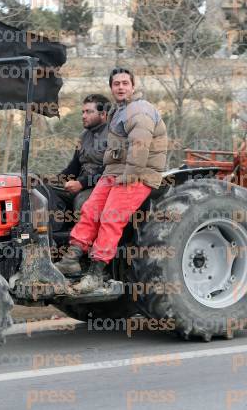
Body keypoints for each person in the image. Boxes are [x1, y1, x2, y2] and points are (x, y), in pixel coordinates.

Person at [55, 68, 168, 293]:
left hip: (138, 173)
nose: (121, 87)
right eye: (116, 84)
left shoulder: (139, 110)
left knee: (111, 217)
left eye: (125, 83)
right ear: (111, 88)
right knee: (90, 208)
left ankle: (97, 273)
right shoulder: (120, 111)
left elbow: (140, 146)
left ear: (133, 86)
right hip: (114, 172)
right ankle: (72, 258)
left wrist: (129, 176)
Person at [55, 94, 110, 216]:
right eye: (83, 112)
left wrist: (82, 183)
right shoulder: (83, 136)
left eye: (89, 112)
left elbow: (110, 170)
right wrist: (53, 180)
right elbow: (74, 167)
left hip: (101, 186)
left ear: (103, 114)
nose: (83, 116)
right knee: (44, 192)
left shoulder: (114, 135)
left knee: (82, 202)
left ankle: (84, 235)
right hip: (81, 184)